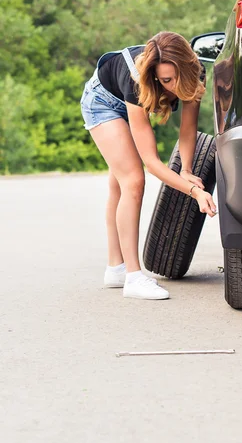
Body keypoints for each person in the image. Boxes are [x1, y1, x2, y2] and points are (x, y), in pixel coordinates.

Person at [80, 31, 217, 301]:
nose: (175, 86)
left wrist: (187, 170)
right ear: (154, 75)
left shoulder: (196, 71)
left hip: (125, 99)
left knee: (119, 185)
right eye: (166, 80)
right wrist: (194, 191)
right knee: (133, 180)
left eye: (178, 78)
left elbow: (187, 131)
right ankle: (133, 277)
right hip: (103, 103)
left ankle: (116, 269)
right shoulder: (137, 79)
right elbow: (152, 163)